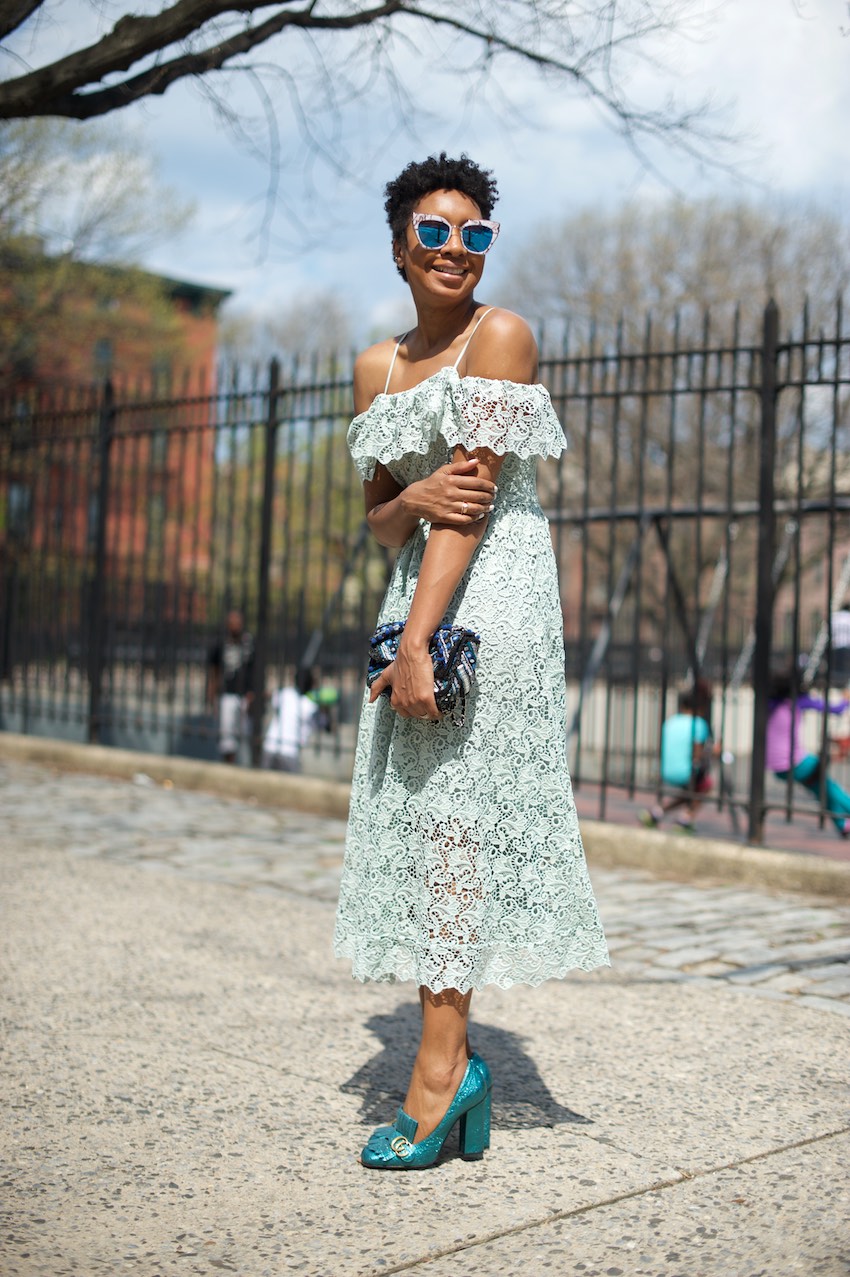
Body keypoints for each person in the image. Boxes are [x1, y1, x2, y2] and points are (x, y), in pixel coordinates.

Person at [333, 153, 609, 1170]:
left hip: (490, 599)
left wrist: (416, 641)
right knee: (426, 827)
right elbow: (388, 519)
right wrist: (402, 502)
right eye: (436, 232)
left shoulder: (502, 336)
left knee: (457, 822)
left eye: (475, 233)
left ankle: (442, 1073)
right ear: (400, 245)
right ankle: (454, 1066)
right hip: (417, 593)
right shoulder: (374, 365)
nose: (457, 249)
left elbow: (474, 499)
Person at [765, 668, 850, 837]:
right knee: (829, 787)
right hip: (795, 762)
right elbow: (836, 709)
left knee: (820, 789)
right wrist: (846, 699)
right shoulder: (797, 702)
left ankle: (843, 825)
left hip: (776, 766)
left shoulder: (771, 704)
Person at [640, 682, 715, 834]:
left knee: (690, 793)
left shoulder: (671, 721)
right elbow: (698, 755)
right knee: (706, 785)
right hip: (685, 772)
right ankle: (685, 819)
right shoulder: (699, 723)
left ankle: (656, 813)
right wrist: (714, 752)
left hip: (666, 770)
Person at [206, 610, 255, 764]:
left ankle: (247, 765)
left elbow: (255, 669)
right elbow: (214, 671)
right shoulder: (221, 643)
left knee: (246, 734)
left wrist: (252, 693)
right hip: (226, 694)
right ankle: (229, 764)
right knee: (227, 736)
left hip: (244, 695)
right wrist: (212, 696)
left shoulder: (249, 643)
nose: (235, 626)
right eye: (232, 622)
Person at [262, 668, 321, 772]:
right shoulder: (309, 705)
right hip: (290, 751)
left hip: (270, 745)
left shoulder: (284, 693)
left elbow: (273, 700)